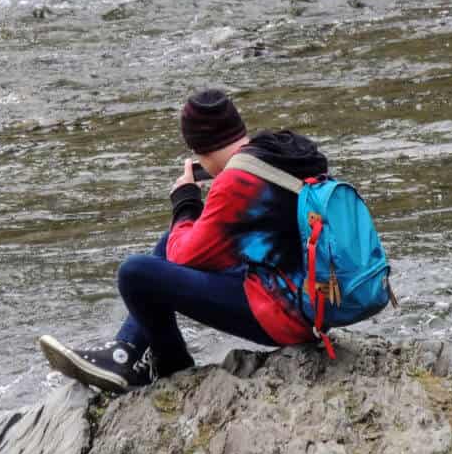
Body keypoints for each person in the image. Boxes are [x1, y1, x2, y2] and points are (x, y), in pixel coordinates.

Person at [39, 89, 328, 393]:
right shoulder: (283, 156)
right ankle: (124, 352)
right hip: (313, 298)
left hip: (284, 314)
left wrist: (185, 203)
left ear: (199, 150)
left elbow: (184, 257)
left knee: (136, 273)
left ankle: (169, 364)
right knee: (168, 243)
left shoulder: (238, 181)